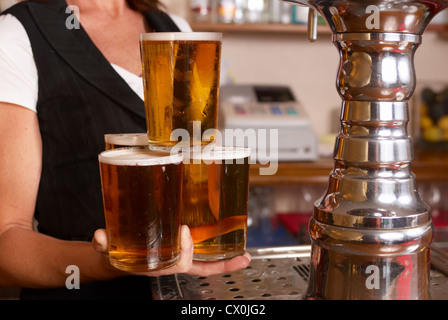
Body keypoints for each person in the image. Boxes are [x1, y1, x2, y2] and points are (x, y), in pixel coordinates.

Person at [0, 0, 251, 299]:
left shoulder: (173, 28)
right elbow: (6, 244)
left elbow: (196, 163)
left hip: (182, 293)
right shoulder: (16, 35)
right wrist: (111, 262)